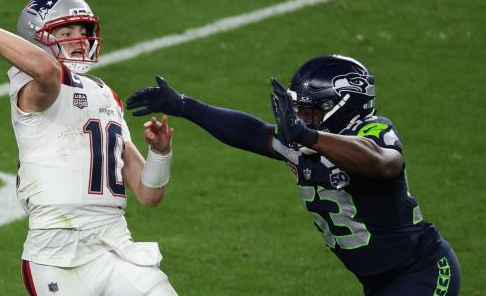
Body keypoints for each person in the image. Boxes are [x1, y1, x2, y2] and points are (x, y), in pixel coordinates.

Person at [126, 54, 461, 296]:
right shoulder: (303, 139)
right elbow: (251, 133)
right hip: (380, 280)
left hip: (422, 271)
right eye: (299, 109)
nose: (301, 117)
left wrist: (309, 136)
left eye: (310, 110)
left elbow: (382, 162)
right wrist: (185, 106)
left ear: (343, 105)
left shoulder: (373, 130)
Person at [0, 0, 178, 296]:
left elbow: (149, 195)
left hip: (114, 246)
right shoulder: (33, 87)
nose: (80, 40)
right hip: (56, 255)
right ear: (37, 39)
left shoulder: (105, 95)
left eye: (82, 30)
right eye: (66, 33)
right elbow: (46, 70)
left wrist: (160, 153)